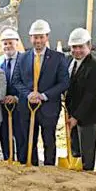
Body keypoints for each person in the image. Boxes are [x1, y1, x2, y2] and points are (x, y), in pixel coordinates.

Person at [12, 19, 69, 166]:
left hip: (48, 107)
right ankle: (32, 167)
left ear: (47, 37)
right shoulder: (22, 57)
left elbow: (64, 83)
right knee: (29, 140)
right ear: (30, 38)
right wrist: (29, 94)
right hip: (27, 107)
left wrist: (44, 96)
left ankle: (49, 169)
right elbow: (16, 81)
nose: (38, 40)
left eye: (41, 37)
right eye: (35, 37)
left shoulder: (58, 58)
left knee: (49, 140)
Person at [65, 28, 96, 171]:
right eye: (74, 47)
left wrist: (76, 116)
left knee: (87, 151)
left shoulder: (95, 67)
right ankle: (77, 174)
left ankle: (87, 177)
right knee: (75, 147)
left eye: (80, 47)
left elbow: (90, 95)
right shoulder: (70, 61)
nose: (77, 50)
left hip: (89, 116)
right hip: (73, 113)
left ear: (89, 46)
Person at [0, 29, 27, 163]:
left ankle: (21, 161)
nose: (7, 46)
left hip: (21, 106)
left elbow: (29, 83)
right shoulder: (0, 65)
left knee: (20, 135)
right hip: (4, 106)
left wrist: (17, 98)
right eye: (5, 43)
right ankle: (7, 160)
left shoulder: (25, 61)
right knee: (5, 135)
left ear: (16, 43)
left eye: (10, 43)